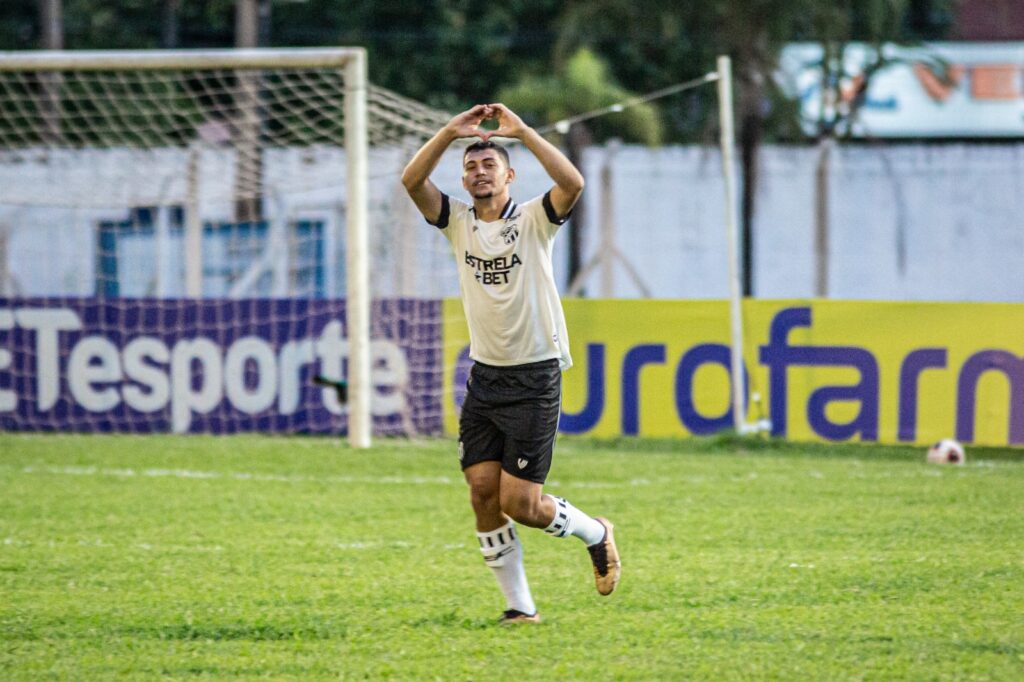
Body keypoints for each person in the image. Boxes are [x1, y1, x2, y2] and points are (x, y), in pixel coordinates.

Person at [401, 103, 621, 624]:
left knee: (522, 504)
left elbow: (574, 182)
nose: (479, 172)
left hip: (535, 375)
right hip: (485, 377)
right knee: (482, 493)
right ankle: (520, 607)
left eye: (489, 166)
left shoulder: (533, 219)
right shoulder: (456, 222)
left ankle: (596, 533)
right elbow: (412, 181)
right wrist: (449, 132)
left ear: (509, 175)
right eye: (471, 167)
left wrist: (523, 130)